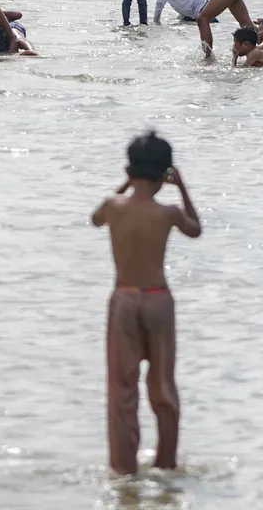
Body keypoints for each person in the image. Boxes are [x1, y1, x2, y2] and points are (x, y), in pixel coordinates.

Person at [91, 131, 200, 476]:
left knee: (122, 390)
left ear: (129, 168)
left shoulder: (113, 206)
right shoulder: (168, 212)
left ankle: (123, 468)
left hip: (123, 299)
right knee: (163, 386)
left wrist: (125, 185)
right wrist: (182, 187)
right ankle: (165, 464)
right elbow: (196, 229)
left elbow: (95, 219)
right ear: (165, 173)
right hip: (157, 299)